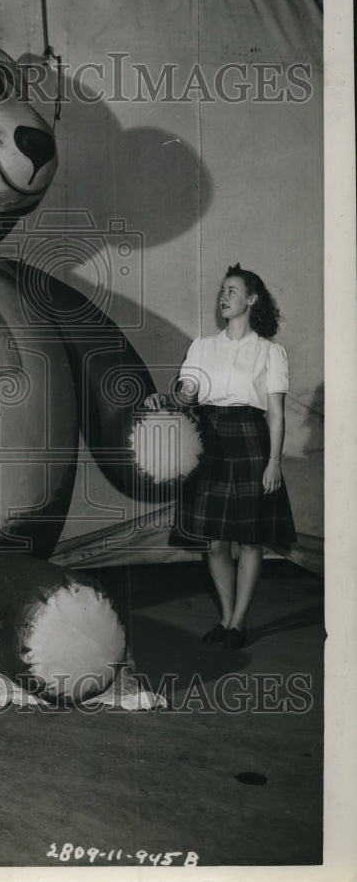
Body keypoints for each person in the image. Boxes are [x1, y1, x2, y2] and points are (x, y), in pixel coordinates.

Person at [144, 263, 296, 649]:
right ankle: (226, 617)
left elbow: (276, 413)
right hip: (209, 439)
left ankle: (239, 623)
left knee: (250, 542)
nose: (223, 297)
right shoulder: (202, 346)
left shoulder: (270, 352)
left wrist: (274, 462)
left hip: (250, 442)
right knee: (214, 543)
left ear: (252, 299)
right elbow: (187, 393)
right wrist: (169, 397)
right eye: (222, 291)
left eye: (232, 291)